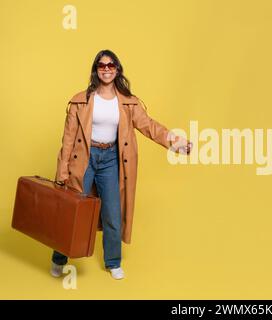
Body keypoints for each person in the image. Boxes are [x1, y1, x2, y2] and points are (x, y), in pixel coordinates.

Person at [50, 49, 192, 280]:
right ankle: (59, 259)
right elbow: (67, 139)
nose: (106, 69)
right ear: (96, 70)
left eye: (111, 65)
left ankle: (113, 262)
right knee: (71, 212)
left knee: (113, 214)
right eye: (101, 65)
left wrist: (175, 142)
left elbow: (150, 126)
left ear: (117, 70)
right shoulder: (81, 100)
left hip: (112, 160)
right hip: (84, 158)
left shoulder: (128, 102)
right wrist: (62, 170)